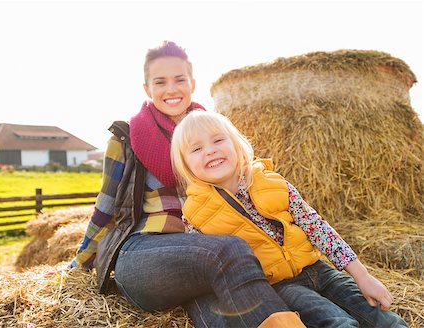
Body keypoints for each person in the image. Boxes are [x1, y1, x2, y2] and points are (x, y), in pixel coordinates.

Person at [71, 41, 306, 327]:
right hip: (143, 253)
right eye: (160, 82)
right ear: (147, 89)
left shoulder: (212, 135)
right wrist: (80, 262)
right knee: (228, 251)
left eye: (179, 79)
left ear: (192, 83)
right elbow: (106, 206)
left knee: (220, 298)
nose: (171, 89)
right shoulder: (127, 139)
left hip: (201, 249)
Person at [170, 110, 408, 328]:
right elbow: (212, 272)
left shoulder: (272, 182)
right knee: (339, 323)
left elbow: (316, 228)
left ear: (236, 144)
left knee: (386, 321)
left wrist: (362, 276)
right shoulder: (195, 214)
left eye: (218, 140)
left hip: (319, 270)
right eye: (196, 148)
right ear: (186, 165)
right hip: (281, 287)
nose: (210, 150)